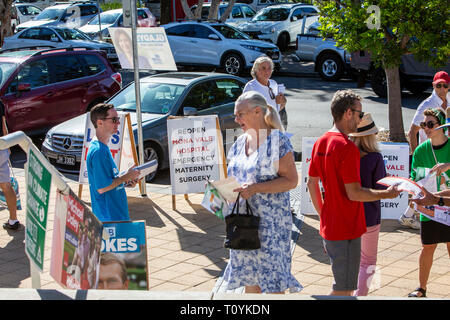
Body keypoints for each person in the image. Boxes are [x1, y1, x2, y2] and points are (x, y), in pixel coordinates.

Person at [307, 89, 400, 296]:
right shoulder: (346, 147)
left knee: (343, 287)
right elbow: (355, 193)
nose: (360, 119)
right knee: (345, 290)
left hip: (331, 226)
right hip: (346, 228)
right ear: (348, 113)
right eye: (359, 114)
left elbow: (311, 183)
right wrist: (387, 194)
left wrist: (324, 216)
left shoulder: (321, 141)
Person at [222, 91, 302, 294]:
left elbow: (292, 180)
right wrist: (220, 192)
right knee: (250, 280)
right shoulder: (239, 142)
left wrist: (255, 188)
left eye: (240, 114)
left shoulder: (277, 141)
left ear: (257, 112)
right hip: (243, 224)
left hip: (271, 225)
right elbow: (234, 178)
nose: (236, 119)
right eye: (235, 115)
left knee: (273, 282)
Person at [407, 108, 450, 298]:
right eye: (424, 125)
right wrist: (412, 192)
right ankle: (421, 288)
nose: (426, 128)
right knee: (428, 246)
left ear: (442, 125)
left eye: (430, 124)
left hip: (448, 202)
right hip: (429, 205)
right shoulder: (420, 150)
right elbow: (414, 177)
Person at [401, 71, 449, 229]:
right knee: (426, 186)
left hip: (443, 148)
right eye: (438, 85)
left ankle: (409, 215)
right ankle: (415, 216)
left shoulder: (449, 102)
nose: (442, 88)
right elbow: (412, 131)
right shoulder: (426, 105)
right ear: (433, 85)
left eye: (445, 85)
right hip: (427, 152)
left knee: (437, 188)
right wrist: (416, 156)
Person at [348, 113, 387, 296]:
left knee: (349, 261)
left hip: (347, 215)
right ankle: (360, 295)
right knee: (368, 262)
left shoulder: (345, 156)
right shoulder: (375, 158)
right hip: (369, 216)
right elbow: (381, 187)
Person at [86, 103, 140, 222]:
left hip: (114, 216)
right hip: (110, 219)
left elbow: (108, 181)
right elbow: (102, 187)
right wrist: (126, 176)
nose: (118, 123)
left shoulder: (102, 148)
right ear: (100, 122)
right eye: (114, 120)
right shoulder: (99, 151)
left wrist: (126, 181)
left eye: (118, 119)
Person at [0, 102, 19, 230]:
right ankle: (13, 220)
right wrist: (8, 145)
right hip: (1, 146)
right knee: (6, 185)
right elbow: (3, 125)